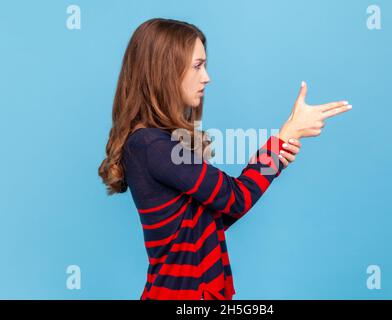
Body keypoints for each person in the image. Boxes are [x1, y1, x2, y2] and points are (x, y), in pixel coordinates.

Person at [98, 18, 351, 300]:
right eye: (197, 65)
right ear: (164, 71)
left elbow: (213, 217)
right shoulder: (151, 146)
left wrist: (277, 155)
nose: (207, 77)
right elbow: (236, 197)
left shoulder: (153, 144)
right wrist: (284, 137)